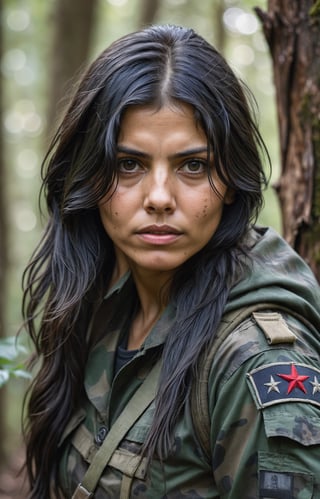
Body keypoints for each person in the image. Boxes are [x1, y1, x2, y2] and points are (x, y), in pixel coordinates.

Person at [22, 24, 320, 499]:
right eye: (129, 165)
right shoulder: (100, 307)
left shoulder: (256, 360)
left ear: (231, 182)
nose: (159, 198)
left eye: (193, 166)